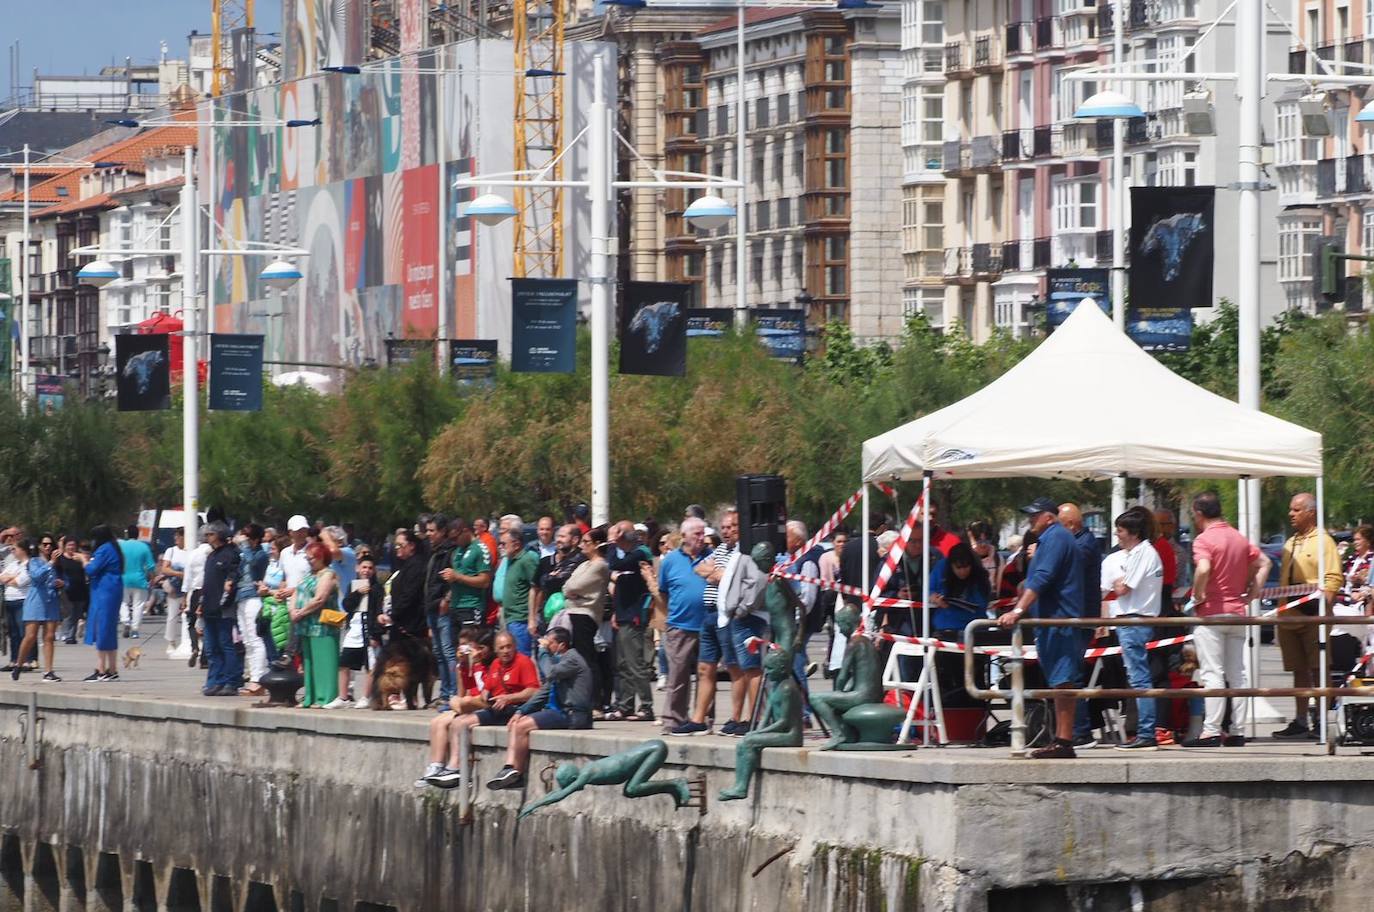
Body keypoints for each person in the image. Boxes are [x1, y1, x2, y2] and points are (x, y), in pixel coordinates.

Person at [998, 497, 1089, 759]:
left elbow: (1043, 577)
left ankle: (1064, 740)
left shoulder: (1056, 537)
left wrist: (1017, 610)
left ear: (1049, 517)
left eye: (1034, 515)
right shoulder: (1053, 539)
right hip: (1053, 620)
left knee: (1062, 681)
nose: (1030, 520)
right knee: (1060, 681)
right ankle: (1061, 739)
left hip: (1059, 621)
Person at [1181, 491, 1269, 748]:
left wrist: (1198, 593)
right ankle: (1237, 730)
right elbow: (1264, 563)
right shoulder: (1238, 537)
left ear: (1198, 513)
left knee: (1212, 673)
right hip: (1237, 612)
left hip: (1211, 613)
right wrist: (1254, 591)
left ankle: (1210, 731)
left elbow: (1204, 568)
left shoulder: (1204, 540)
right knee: (1237, 673)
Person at [419, 629, 540, 788]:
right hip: (495, 707)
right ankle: (455, 769)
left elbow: (534, 690)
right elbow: (486, 688)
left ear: (515, 647)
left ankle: (456, 770)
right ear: (496, 650)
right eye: (502, 648)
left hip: (513, 708)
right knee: (459, 723)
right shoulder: (496, 664)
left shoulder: (523, 662)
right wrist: (485, 694)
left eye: (509, 647)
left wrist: (508, 698)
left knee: (461, 714)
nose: (505, 651)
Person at [1272, 492, 1342, 739]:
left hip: (1314, 616)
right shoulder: (1290, 542)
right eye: (1291, 509)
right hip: (1289, 616)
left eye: (1297, 510)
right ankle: (1301, 720)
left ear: (1311, 512)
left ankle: (1322, 721)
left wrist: (1323, 610)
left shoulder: (1324, 542)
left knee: (1318, 668)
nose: (1291, 514)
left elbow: (1333, 578)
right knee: (1298, 670)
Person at [487, 627, 593, 790]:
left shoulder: (572, 659)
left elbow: (549, 672)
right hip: (561, 712)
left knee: (522, 726)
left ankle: (516, 773)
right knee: (517, 722)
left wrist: (542, 651)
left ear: (561, 645)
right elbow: (544, 691)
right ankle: (510, 769)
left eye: (549, 643)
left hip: (573, 715)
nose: (544, 645)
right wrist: (521, 711)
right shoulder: (560, 663)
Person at [1099, 509, 1165, 751]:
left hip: (1134, 619)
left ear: (1133, 533)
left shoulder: (1141, 553)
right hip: (1135, 619)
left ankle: (1146, 733)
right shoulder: (1142, 552)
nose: (1117, 533)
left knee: (1139, 678)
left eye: (1121, 529)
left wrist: (1119, 581)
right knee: (1138, 676)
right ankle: (1145, 731)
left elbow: (1123, 587)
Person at [653, 516, 708, 735]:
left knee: (706, 674)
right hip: (679, 625)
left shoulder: (712, 557)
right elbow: (663, 592)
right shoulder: (670, 561)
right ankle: (673, 720)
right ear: (684, 536)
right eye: (697, 534)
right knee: (677, 676)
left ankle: (703, 717)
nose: (702, 538)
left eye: (703, 533)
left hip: (707, 625)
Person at [605, 521, 656, 722]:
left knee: (636, 663)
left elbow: (615, 565)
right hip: (622, 614)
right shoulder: (623, 555)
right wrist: (616, 613)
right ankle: (625, 705)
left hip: (634, 616)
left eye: (618, 534)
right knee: (623, 663)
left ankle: (646, 706)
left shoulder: (639, 554)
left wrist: (611, 543)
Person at [561, 525, 611, 705]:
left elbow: (574, 587)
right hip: (573, 612)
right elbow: (567, 586)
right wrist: (572, 592)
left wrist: (574, 593)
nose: (582, 545)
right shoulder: (584, 564)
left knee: (586, 659)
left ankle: (595, 701)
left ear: (597, 544)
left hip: (586, 615)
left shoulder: (600, 566)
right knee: (576, 658)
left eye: (586, 542)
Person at [291, 542, 342, 708]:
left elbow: (320, 598)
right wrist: (292, 610)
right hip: (306, 625)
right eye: (307, 558)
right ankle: (310, 696)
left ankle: (325, 697)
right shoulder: (308, 575)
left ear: (321, 557)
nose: (309, 561)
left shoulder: (328, 574)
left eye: (311, 558)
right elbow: (296, 592)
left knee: (324, 661)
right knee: (308, 662)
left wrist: (302, 612)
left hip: (323, 625)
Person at [199, 522, 243, 697]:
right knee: (211, 647)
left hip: (224, 607)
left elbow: (234, 574)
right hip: (209, 606)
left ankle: (231, 681)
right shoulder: (211, 556)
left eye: (211, 534)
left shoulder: (230, 554)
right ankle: (215, 680)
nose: (207, 537)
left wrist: (230, 583)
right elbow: (207, 582)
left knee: (226, 645)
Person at [12, 538, 63, 681]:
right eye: (44, 544)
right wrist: (50, 563)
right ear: (39, 546)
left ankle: (48, 671)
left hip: (51, 601)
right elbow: (36, 576)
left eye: (50, 544)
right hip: (36, 601)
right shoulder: (34, 561)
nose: (48, 547)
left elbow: (66, 577)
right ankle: (19, 664)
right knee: (30, 636)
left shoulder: (58, 562)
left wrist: (62, 583)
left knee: (49, 637)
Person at [339, 551, 385, 709]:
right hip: (353, 629)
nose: (366, 570)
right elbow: (347, 605)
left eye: (370, 568)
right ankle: (343, 697)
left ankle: (366, 696)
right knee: (344, 663)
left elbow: (379, 611)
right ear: (358, 568)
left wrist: (375, 634)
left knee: (370, 666)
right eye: (364, 567)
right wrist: (357, 594)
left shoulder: (377, 589)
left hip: (368, 630)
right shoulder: (353, 585)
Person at [421, 514, 457, 703]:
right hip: (431, 608)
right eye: (427, 531)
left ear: (443, 532)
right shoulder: (433, 552)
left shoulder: (450, 551)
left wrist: (447, 599)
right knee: (438, 652)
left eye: (432, 531)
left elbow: (453, 578)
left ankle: (453, 691)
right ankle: (444, 692)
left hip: (443, 609)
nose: (429, 534)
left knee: (448, 650)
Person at [83, 525, 125, 682]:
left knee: (102, 628)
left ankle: (101, 669)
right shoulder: (114, 547)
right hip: (113, 589)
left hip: (104, 591)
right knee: (109, 628)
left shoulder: (104, 549)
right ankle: (112, 668)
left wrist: (83, 560)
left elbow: (91, 569)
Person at [442, 519, 493, 636]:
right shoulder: (458, 551)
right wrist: (447, 598)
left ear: (465, 531)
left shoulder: (480, 549)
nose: (454, 542)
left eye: (455, 538)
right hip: (455, 605)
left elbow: (485, 581)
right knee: (457, 648)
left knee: (470, 646)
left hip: (471, 606)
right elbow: (457, 576)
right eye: (451, 540)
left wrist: (457, 577)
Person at [234, 524, 270, 695]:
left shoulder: (261, 554)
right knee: (247, 640)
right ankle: (252, 676)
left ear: (255, 539)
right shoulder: (243, 553)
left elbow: (255, 566)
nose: (243, 541)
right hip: (241, 596)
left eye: (247, 538)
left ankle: (259, 679)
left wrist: (245, 548)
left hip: (254, 597)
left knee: (256, 639)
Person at [499, 527, 540, 657]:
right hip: (510, 618)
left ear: (516, 545)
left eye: (504, 544)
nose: (501, 547)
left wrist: (532, 618)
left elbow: (537, 588)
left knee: (523, 657)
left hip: (521, 620)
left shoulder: (526, 560)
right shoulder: (511, 561)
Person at [117, 525, 155, 639]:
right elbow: (150, 566)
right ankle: (135, 630)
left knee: (123, 602)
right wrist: (152, 579)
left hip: (123, 579)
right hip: (139, 580)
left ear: (127, 534)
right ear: (138, 534)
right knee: (138, 605)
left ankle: (126, 621)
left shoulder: (121, 546)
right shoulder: (143, 547)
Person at [158, 529, 189, 657]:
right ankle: (171, 641)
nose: (176, 538)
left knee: (189, 615)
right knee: (172, 615)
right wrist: (179, 574)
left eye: (178, 536)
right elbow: (164, 568)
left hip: (188, 587)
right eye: (175, 536)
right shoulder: (171, 551)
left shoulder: (191, 550)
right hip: (175, 587)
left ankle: (190, 640)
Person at [54, 536, 88, 645]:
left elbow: (87, 570)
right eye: (69, 545)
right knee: (68, 613)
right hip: (66, 590)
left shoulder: (80, 558)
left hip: (80, 589)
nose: (71, 547)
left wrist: (83, 560)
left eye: (73, 545)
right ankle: (67, 635)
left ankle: (72, 636)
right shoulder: (60, 559)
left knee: (77, 613)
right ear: (64, 546)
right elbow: (56, 572)